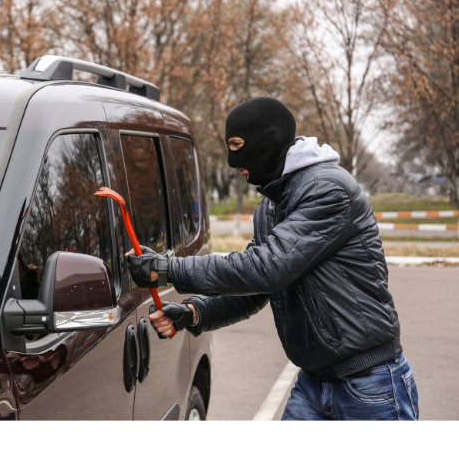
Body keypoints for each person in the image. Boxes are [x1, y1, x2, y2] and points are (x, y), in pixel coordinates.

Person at [126, 97, 419, 421]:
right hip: (312, 382)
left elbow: (268, 268)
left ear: (269, 140)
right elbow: (255, 287)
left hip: (369, 384)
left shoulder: (327, 189)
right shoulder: (271, 207)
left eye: (237, 145)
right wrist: (194, 312)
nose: (231, 160)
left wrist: (169, 270)